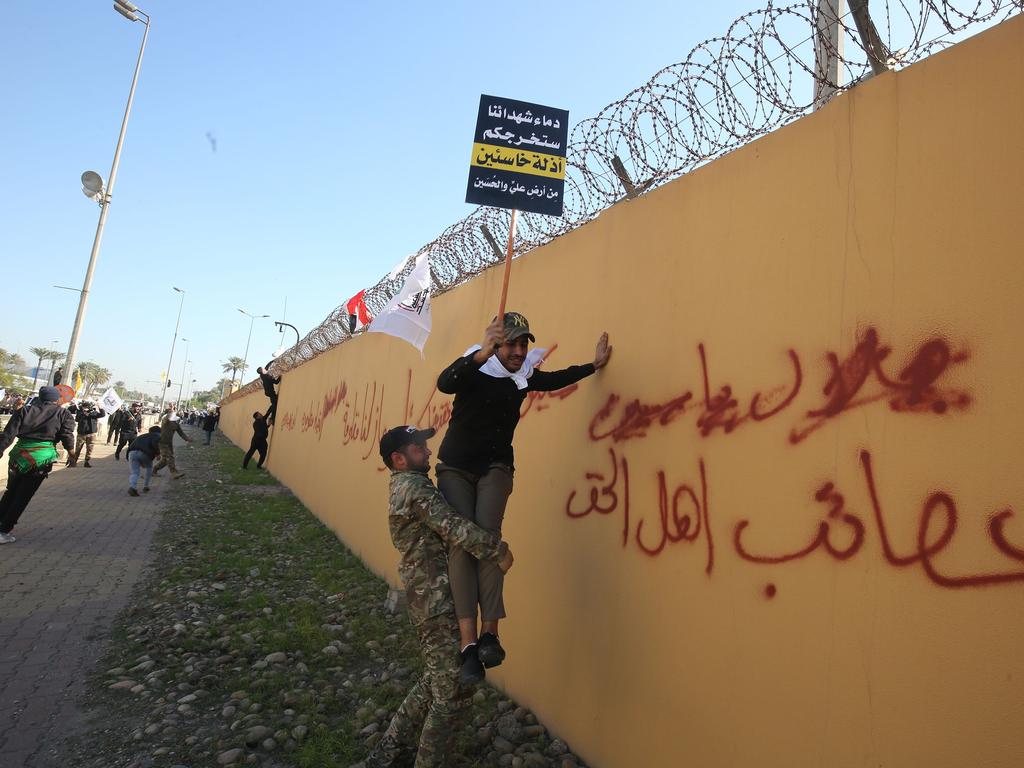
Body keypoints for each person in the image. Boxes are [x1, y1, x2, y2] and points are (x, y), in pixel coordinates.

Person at [435, 311, 612, 681]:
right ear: (496, 343)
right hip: (456, 468)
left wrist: (594, 366)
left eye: (522, 344)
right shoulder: (475, 368)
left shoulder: (522, 376)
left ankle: (490, 635)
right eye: (510, 343)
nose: (518, 351)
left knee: (487, 539)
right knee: (460, 546)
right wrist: (482, 354)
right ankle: (468, 645)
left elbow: (554, 379)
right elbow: (445, 382)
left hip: (496, 466)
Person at [363, 426, 513, 768]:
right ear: (398, 459)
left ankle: (387, 752)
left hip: (432, 597)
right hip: (436, 601)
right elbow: (451, 525)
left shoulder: (407, 485)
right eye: (419, 449)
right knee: (452, 697)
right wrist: (496, 551)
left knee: (435, 679)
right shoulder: (413, 487)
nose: (428, 453)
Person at [0, 386, 75, 543]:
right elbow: (67, 436)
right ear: (56, 398)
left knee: (11, 491)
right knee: (22, 496)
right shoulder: (63, 413)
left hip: (18, 456)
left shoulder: (25, 410)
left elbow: (8, 435)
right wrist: (72, 453)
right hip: (41, 459)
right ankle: (4, 530)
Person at [152, 408, 191, 479]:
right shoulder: (165, 421)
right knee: (170, 458)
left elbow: (181, 433)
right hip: (162, 442)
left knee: (165, 460)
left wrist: (187, 439)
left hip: (169, 443)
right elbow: (165, 418)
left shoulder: (176, 424)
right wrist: (169, 412)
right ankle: (174, 473)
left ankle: (154, 469)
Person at [69, 400, 106, 468]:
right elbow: (72, 412)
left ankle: (87, 462)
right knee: (78, 449)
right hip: (81, 434)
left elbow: (102, 414)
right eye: (84, 407)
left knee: (89, 449)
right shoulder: (80, 413)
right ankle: (74, 462)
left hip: (91, 434)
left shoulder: (94, 413)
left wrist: (99, 406)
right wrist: (76, 406)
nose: (85, 408)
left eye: (86, 407)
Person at [127, 425, 162, 496]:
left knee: (135, 472)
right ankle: (146, 486)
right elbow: (155, 443)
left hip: (132, 453)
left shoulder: (141, 436)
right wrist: (158, 454)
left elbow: (131, 446)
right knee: (149, 468)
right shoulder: (157, 436)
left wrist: (128, 458)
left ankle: (132, 487)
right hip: (145, 454)